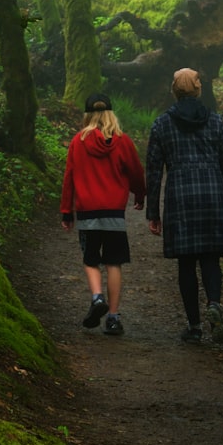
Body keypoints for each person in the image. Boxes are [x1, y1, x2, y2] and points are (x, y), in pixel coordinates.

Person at [146, 68, 223, 344]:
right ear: (199, 90)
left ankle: (195, 326)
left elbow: (153, 171)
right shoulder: (216, 122)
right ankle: (214, 304)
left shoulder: (162, 124)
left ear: (174, 92)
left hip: (181, 197)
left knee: (186, 262)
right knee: (210, 257)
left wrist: (153, 212)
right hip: (213, 194)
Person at [61, 93, 146, 336]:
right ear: (111, 114)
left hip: (88, 211)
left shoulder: (78, 141)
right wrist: (139, 195)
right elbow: (136, 173)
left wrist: (67, 211)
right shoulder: (123, 141)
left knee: (90, 259)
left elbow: (69, 178)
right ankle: (113, 317)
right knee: (114, 262)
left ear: (87, 115)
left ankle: (97, 298)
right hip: (114, 212)